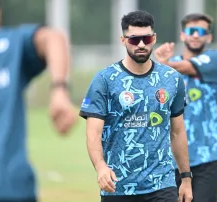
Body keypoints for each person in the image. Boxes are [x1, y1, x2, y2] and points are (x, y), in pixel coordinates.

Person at [79, 10, 193, 202]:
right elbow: (93, 133)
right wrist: (101, 167)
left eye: (146, 38)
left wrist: (186, 179)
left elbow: (178, 132)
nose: (141, 44)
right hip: (118, 186)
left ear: (154, 38)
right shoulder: (105, 80)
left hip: (162, 184)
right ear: (123, 40)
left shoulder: (172, 79)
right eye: (134, 40)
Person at [0, 0, 77, 202]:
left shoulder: (8, 43)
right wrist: (59, 90)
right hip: (7, 186)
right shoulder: (8, 43)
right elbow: (54, 38)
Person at [154, 13, 217, 202]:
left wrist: (162, 64)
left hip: (207, 156)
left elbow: (186, 67)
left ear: (209, 37)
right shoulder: (168, 66)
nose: (196, 35)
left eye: (201, 31)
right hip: (173, 158)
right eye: (191, 31)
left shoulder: (214, 59)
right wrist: (161, 66)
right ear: (182, 35)